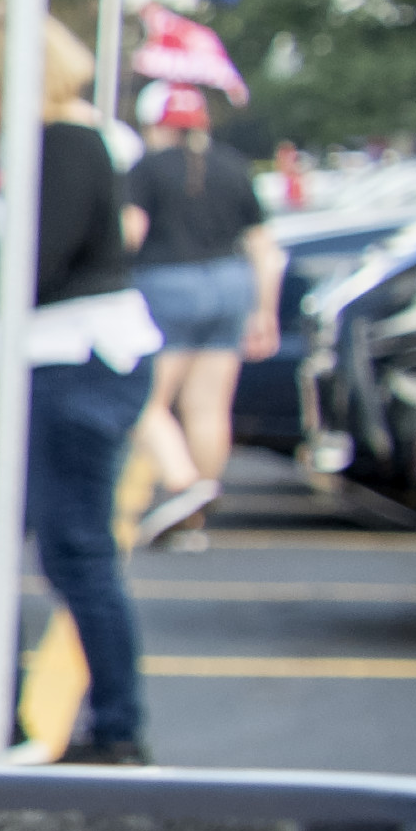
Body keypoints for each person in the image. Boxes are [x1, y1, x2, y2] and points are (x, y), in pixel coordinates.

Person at [0, 0, 160, 766]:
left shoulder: (62, 143)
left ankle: (112, 730)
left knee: (66, 547)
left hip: (70, 363)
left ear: (6, 73)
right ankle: (18, 718)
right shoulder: (67, 141)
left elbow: (29, 263)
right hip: (57, 362)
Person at [127, 89, 275, 549]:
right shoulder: (233, 165)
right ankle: (194, 521)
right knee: (208, 407)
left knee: (145, 400)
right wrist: (264, 312)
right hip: (231, 283)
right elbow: (264, 248)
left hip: (168, 284)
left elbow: (131, 232)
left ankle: (183, 484)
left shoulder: (147, 169)